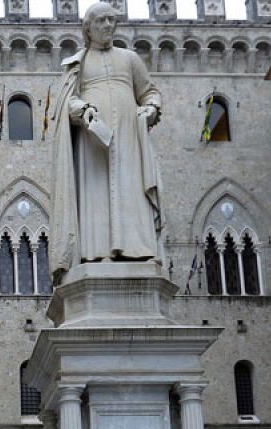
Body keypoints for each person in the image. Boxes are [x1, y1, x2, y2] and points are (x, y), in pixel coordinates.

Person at [49, 1, 166, 284]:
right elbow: (67, 99)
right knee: (95, 193)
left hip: (128, 138)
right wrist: (82, 111)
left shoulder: (130, 59)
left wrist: (151, 109)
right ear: (88, 28)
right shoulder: (78, 62)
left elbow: (149, 92)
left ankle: (139, 249)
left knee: (131, 188)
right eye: (101, 21)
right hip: (93, 142)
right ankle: (96, 251)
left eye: (112, 21)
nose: (108, 27)